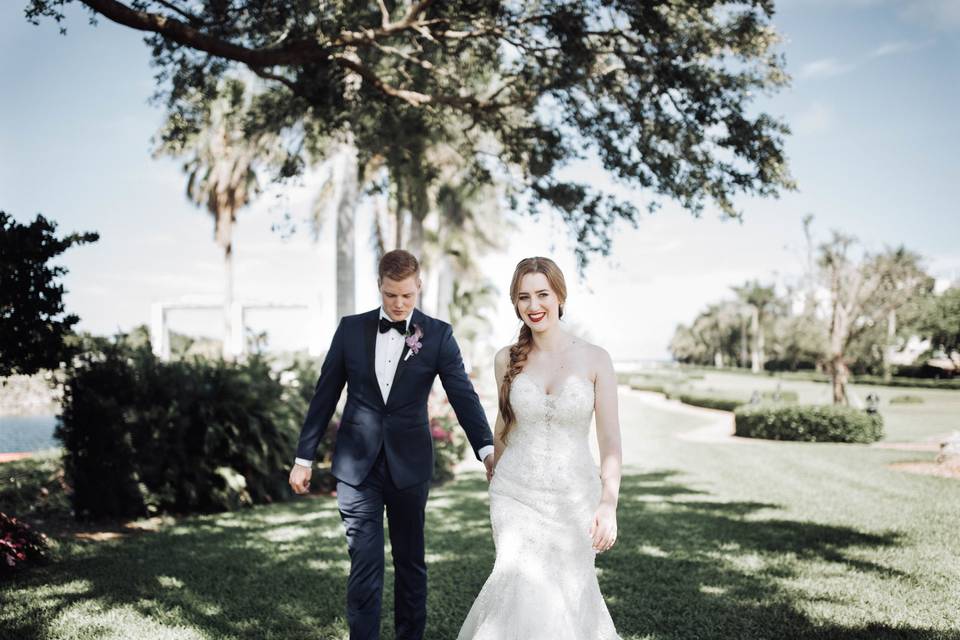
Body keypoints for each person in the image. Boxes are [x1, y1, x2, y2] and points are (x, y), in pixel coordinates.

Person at [289, 249, 495, 640]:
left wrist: (485, 449)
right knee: (364, 563)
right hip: (356, 468)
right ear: (379, 288)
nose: (399, 304)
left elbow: (462, 395)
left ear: (419, 286)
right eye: (390, 295)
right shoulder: (350, 329)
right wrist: (304, 457)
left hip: (410, 467)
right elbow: (325, 395)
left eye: (407, 295)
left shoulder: (437, 335)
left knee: (410, 564)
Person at [457, 256, 623, 640]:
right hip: (515, 494)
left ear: (560, 295)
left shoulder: (596, 359)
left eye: (542, 294)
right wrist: (492, 464)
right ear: (515, 304)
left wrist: (608, 502)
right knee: (521, 588)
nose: (534, 306)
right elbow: (504, 423)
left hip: (576, 498)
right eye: (523, 297)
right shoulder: (505, 360)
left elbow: (610, 439)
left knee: (567, 597)